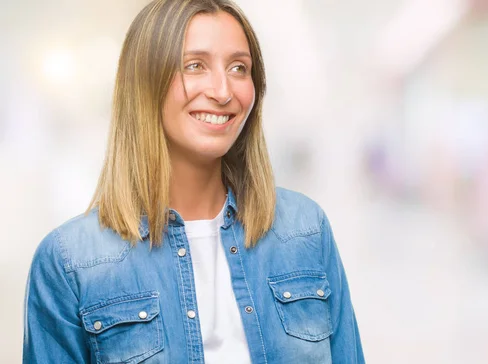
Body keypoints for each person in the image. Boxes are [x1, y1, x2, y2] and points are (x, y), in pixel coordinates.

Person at [22, 0, 364, 363]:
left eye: (238, 67)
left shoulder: (306, 229)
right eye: (195, 65)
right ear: (145, 83)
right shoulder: (69, 262)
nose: (222, 91)